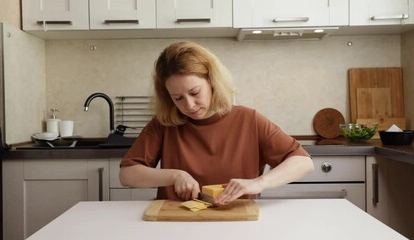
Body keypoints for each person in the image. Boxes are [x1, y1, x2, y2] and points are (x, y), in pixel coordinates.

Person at [119, 41, 314, 206]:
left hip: (236, 223)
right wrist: (174, 176)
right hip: (176, 223)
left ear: (212, 82)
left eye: (195, 93)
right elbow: (127, 174)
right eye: (177, 98)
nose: (189, 105)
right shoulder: (164, 124)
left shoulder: (250, 120)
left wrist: (259, 183)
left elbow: (303, 161)